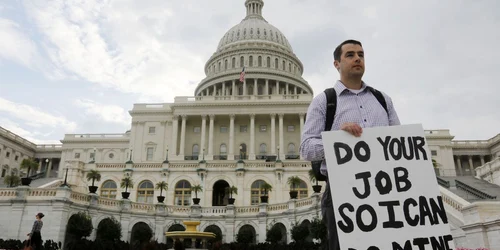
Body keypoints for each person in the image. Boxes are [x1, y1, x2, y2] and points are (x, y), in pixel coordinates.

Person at [300, 39, 401, 250]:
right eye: (350, 55)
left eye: (361, 55)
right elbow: (306, 149)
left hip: (385, 189)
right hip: (341, 191)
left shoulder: (383, 100)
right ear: (337, 64)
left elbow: (398, 144)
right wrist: (338, 139)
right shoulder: (323, 101)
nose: (357, 58)